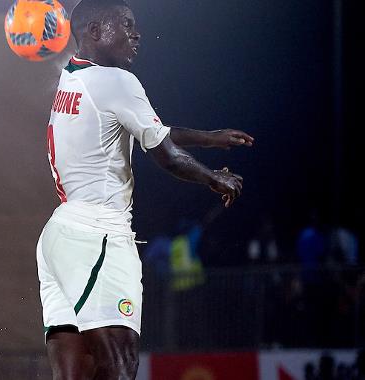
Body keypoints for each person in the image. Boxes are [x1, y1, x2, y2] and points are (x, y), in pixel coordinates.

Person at [36, 0, 253, 378]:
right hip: (98, 233)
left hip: (59, 238)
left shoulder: (71, 77)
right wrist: (214, 177)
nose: (136, 34)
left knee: (76, 373)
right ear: (94, 31)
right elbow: (165, 154)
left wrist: (208, 138)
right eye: (125, 24)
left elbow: (143, 129)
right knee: (120, 365)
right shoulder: (117, 81)